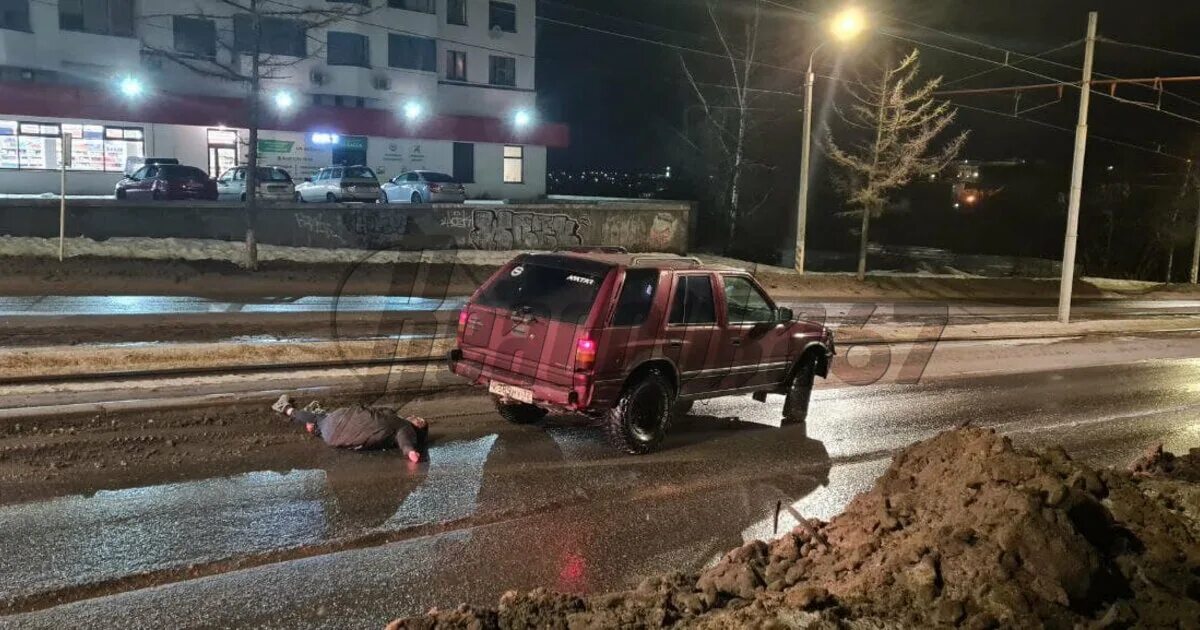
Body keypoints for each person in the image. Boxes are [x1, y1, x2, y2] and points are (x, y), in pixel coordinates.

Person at [272, 394, 429, 463]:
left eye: (419, 420)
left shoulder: (405, 428)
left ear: (417, 427)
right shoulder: (395, 423)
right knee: (323, 421)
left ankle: (286, 409)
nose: (416, 416)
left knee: (319, 417)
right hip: (334, 438)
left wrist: (412, 453)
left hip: (339, 420)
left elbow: (406, 443)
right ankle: (316, 429)